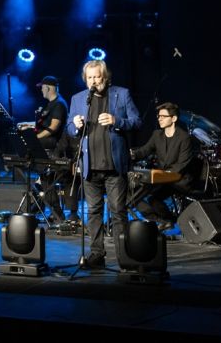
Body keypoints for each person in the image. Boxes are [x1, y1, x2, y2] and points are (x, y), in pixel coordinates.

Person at [67, 59, 141, 269]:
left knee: (118, 211)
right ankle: (97, 254)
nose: (93, 81)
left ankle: (124, 256)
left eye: (97, 77)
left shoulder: (121, 94)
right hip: (90, 167)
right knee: (93, 212)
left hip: (114, 167)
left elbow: (137, 121)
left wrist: (117, 121)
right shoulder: (78, 99)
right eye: (89, 78)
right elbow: (69, 129)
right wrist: (75, 125)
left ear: (105, 77)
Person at [129, 102, 197, 230]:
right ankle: (162, 220)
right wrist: (131, 154)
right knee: (134, 194)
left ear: (174, 118)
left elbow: (182, 165)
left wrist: (164, 175)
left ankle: (170, 220)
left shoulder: (184, 138)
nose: (159, 119)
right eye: (158, 116)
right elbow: (144, 151)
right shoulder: (157, 135)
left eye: (163, 116)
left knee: (152, 197)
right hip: (162, 179)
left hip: (179, 180)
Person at [19, 76, 69, 223]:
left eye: (42, 87)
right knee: (43, 183)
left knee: (47, 183)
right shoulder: (49, 105)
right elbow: (42, 124)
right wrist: (28, 125)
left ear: (48, 87)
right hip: (44, 148)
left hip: (52, 149)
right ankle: (49, 212)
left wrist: (35, 139)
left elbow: (53, 127)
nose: (41, 90)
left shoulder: (59, 104)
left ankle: (57, 215)